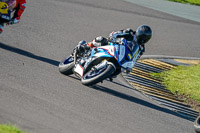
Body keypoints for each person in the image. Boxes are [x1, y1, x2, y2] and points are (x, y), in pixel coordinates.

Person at [76, 25, 152, 58]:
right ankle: (85, 46)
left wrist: (131, 65)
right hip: (114, 45)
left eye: (146, 38)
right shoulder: (130, 32)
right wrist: (113, 36)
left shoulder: (141, 49)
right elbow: (117, 33)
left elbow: (135, 58)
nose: (143, 39)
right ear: (138, 33)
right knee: (101, 39)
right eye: (142, 36)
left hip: (123, 55)